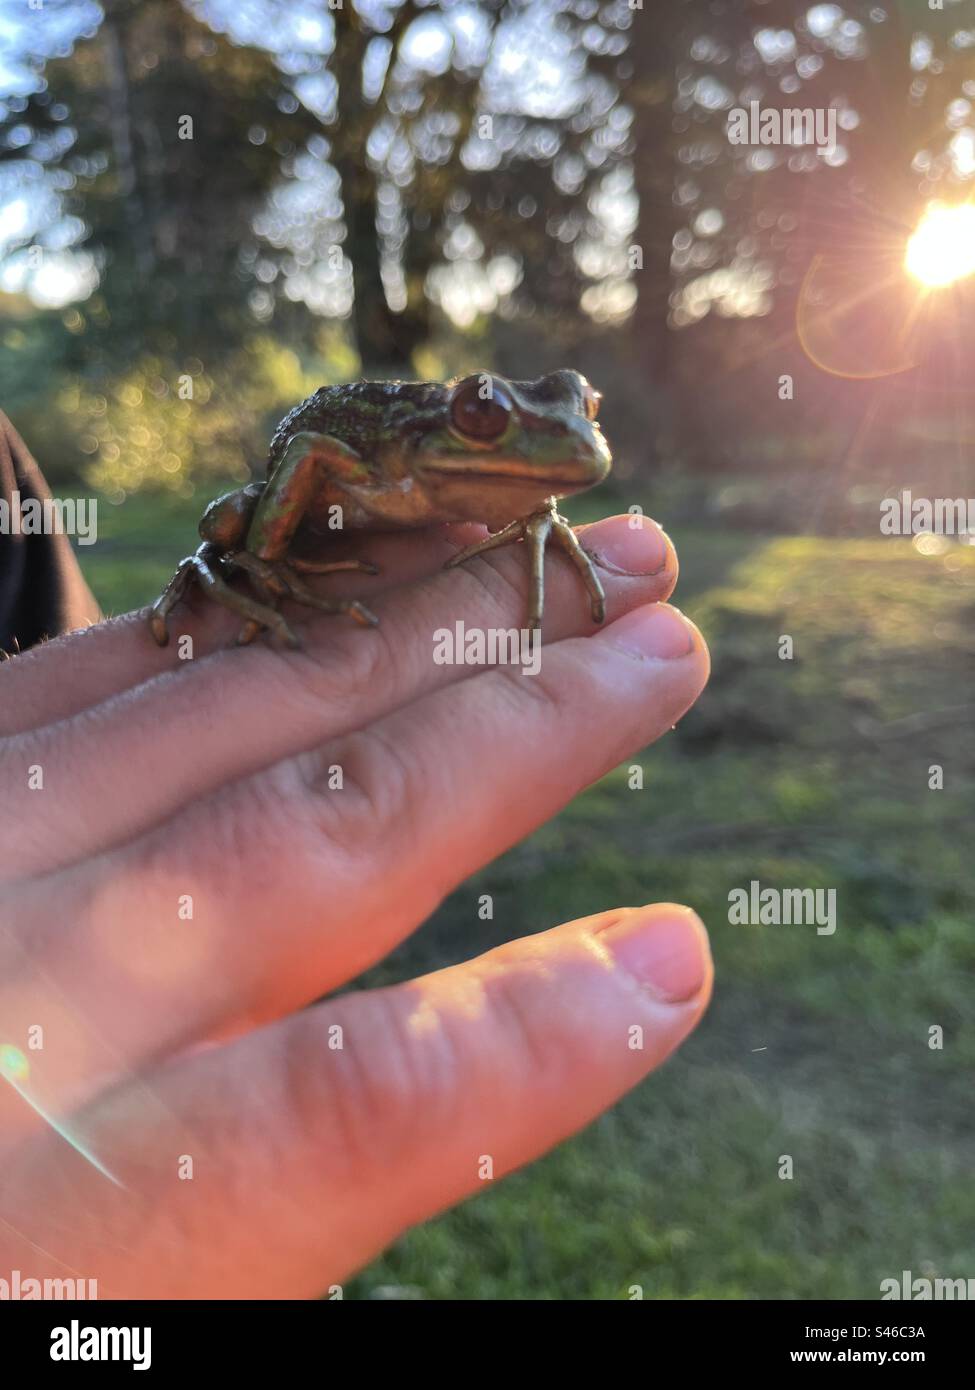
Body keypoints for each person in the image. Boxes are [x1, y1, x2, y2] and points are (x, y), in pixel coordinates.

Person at [0, 410, 712, 1298]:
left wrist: (536, 520)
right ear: (459, 424)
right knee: (228, 527)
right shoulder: (389, 464)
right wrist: (254, 567)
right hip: (292, 506)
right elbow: (311, 452)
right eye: (491, 419)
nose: (566, 439)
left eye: (584, 414)